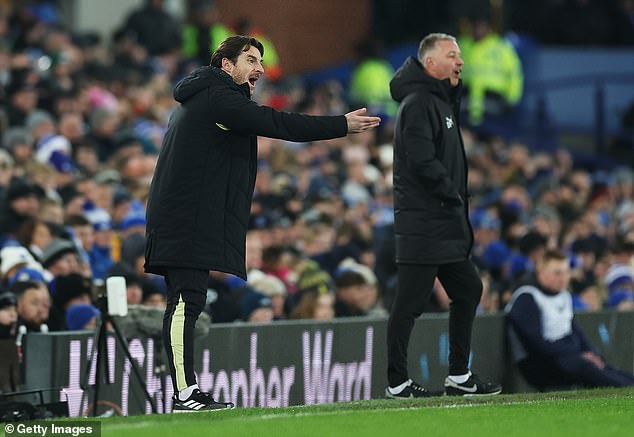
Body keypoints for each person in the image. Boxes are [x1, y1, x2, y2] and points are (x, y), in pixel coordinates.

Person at [144, 35, 380, 412]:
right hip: (184, 217)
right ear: (226, 66)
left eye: (261, 61)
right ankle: (185, 392)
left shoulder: (207, 95)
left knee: (190, 298)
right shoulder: (217, 97)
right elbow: (277, 122)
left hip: (187, 214)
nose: (260, 68)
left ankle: (186, 390)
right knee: (186, 299)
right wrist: (340, 124)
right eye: (251, 59)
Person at [386, 33, 501, 398]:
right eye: (452, 55)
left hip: (441, 220)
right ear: (430, 63)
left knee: (468, 288)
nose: (461, 62)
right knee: (410, 303)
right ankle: (397, 381)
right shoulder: (420, 103)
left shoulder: (439, 102)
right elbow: (420, 159)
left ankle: (458, 374)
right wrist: (450, 192)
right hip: (424, 221)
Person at [506, 249, 634, 390]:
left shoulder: (564, 295)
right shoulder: (527, 297)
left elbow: (574, 329)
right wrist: (578, 354)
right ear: (541, 272)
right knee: (589, 368)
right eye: (557, 273)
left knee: (604, 368)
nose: (563, 278)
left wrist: (592, 353)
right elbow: (535, 343)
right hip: (540, 363)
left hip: (566, 356)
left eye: (566, 272)